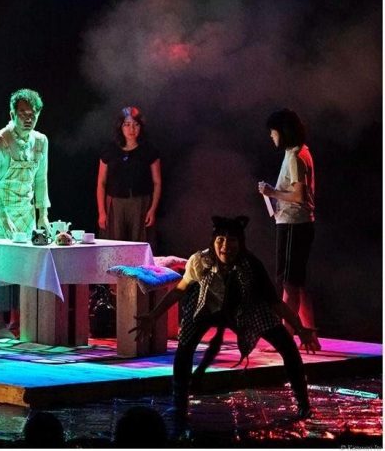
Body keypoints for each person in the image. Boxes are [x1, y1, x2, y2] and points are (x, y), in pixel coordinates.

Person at [131, 216, 319, 429]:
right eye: (221, 240)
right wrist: (153, 315)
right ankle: (179, 403)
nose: (226, 247)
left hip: (243, 308)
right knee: (185, 346)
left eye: (232, 241)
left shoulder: (251, 265)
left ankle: (303, 403)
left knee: (287, 344)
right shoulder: (200, 261)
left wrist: (300, 328)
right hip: (206, 306)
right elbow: (179, 291)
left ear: (240, 243)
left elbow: (274, 303)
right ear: (213, 241)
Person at [0, 88, 50, 338]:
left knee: (23, 267)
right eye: (23, 113)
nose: (28, 118)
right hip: (0, 209)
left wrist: (42, 214)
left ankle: (19, 322)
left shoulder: (41, 141)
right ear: (12, 114)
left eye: (33, 114)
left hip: (25, 211)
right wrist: (3, 217)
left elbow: (41, 179)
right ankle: (0, 324)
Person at [258, 108, 318, 348]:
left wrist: (272, 192)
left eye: (273, 132)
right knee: (297, 282)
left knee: (289, 283)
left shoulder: (295, 156)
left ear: (283, 132)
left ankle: (286, 336)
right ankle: (310, 334)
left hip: (294, 223)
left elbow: (299, 195)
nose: (271, 136)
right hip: (295, 223)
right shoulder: (300, 152)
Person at [97, 106, 162, 243]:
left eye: (135, 124)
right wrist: (102, 212)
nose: (131, 129)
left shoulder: (149, 150)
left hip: (140, 202)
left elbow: (157, 182)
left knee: (139, 241)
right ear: (120, 127)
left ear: (140, 127)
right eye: (127, 124)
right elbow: (101, 183)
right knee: (115, 243)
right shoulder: (109, 150)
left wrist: (152, 209)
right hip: (115, 203)